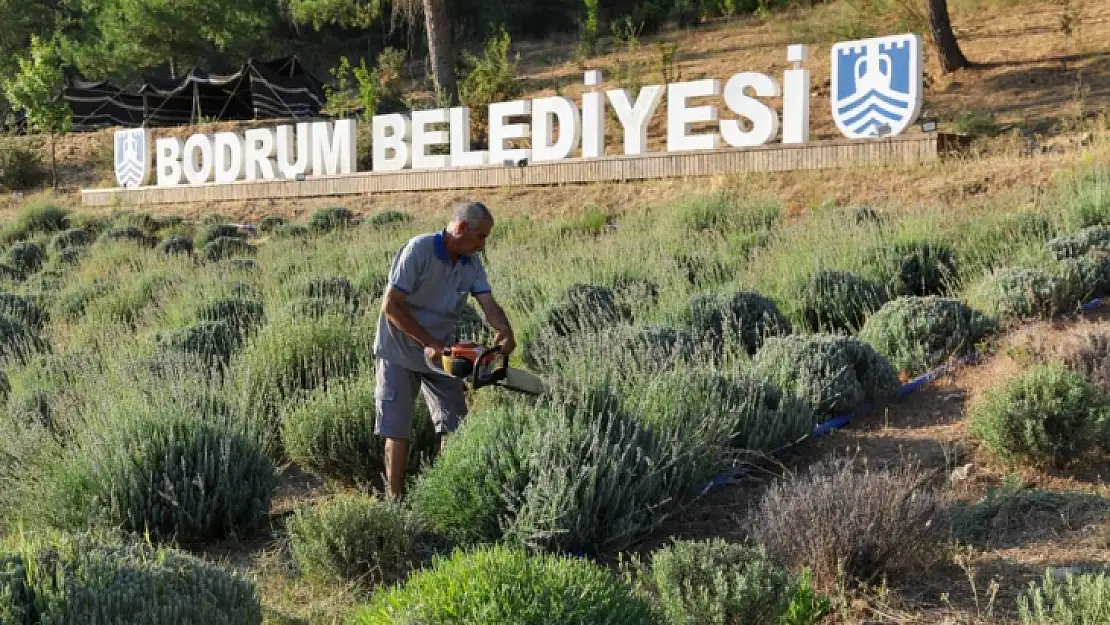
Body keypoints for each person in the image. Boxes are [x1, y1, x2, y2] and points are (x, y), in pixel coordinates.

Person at [373, 200, 516, 499]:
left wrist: (504, 331)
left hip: (443, 355)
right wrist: (430, 344)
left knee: (454, 422)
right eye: (481, 236)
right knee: (396, 429)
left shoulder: (472, 265)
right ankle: (394, 503)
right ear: (462, 228)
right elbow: (391, 306)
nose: (483, 244)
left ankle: (443, 496)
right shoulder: (419, 250)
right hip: (399, 349)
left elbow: (488, 304)